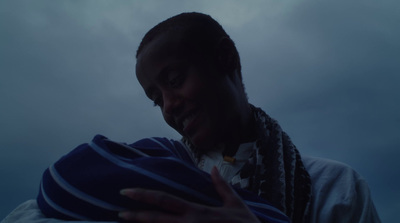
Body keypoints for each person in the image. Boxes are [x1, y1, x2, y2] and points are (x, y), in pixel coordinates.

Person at [1, 12, 380, 223]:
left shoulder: (336, 188)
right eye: (155, 99)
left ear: (226, 59)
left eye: (174, 81)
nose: (168, 105)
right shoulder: (149, 171)